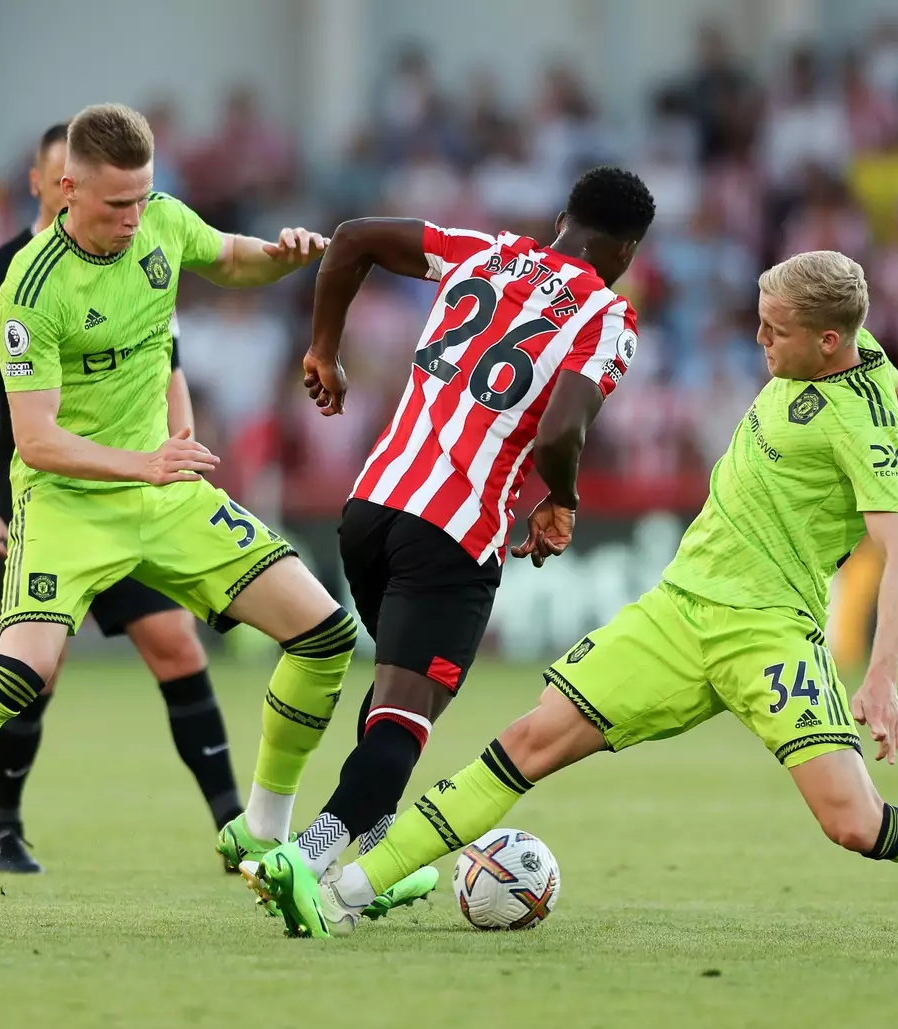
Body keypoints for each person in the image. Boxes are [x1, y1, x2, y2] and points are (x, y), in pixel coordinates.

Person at [245, 250, 898, 952]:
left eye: (773, 331)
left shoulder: (859, 425)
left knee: (854, 823)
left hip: (768, 638)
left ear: (827, 343)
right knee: (524, 742)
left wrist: (884, 680)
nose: (759, 342)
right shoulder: (850, 354)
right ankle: (340, 895)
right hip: (675, 613)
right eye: (759, 322)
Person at [0, 103, 353, 916]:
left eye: (141, 198)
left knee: (324, 632)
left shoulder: (162, 221)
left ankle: (261, 833)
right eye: (114, 205)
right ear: (66, 188)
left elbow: (233, 260)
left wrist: (284, 256)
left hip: (164, 493)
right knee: (19, 674)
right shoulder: (27, 288)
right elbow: (36, 440)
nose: (133, 219)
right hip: (67, 501)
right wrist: (147, 462)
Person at [222, 167, 655, 927]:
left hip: (371, 507)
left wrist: (323, 350)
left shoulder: (483, 253)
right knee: (404, 720)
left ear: (561, 218)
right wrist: (562, 498)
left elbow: (351, 240)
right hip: (453, 532)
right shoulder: (606, 314)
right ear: (623, 251)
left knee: (391, 694)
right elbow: (560, 429)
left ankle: (375, 861)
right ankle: (309, 855)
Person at [0, 121, 244, 873]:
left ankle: (235, 825)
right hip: (42, 497)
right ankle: (3, 828)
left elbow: (165, 360)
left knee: (175, 641)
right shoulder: (2, 279)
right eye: (54, 175)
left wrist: (181, 442)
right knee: (36, 669)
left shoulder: (134, 258)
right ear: (46, 182)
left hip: (131, 490)